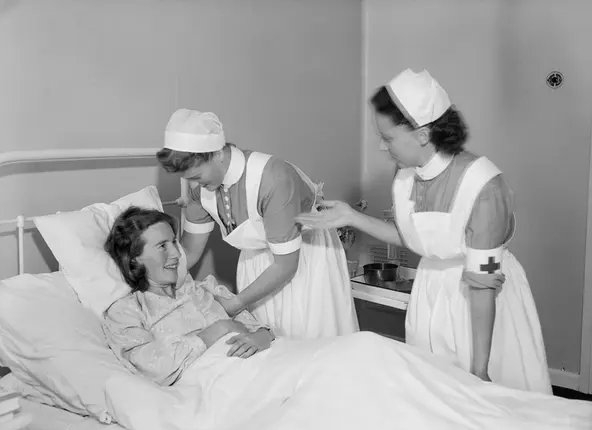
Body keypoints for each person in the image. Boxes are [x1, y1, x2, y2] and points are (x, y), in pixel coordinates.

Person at [296, 68, 552, 394]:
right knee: (431, 394)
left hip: (481, 300)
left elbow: (483, 281)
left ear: (422, 134)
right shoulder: (406, 178)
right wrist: (351, 217)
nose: (382, 147)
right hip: (430, 291)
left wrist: (479, 370)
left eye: (388, 138)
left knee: (487, 399)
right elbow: (416, 239)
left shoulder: (483, 185)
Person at [155, 109, 359, 340]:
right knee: (267, 344)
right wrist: (149, 282)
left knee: (312, 342)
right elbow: (189, 252)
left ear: (217, 153)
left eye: (196, 176)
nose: (194, 185)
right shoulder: (201, 190)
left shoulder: (272, 177)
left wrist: (235, 304)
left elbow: (286, 265)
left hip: (306, 259)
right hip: (256, 266)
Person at [102, 206, 275, 386]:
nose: (176, 253)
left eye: (174, 242)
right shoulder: (127, 312)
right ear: (134, 258)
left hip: (266, 363)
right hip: (224, 384)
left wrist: (263, 335)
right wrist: (219, 329)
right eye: (162, 246)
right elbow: (152, 368)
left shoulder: (203, 289)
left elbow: (254, 327)